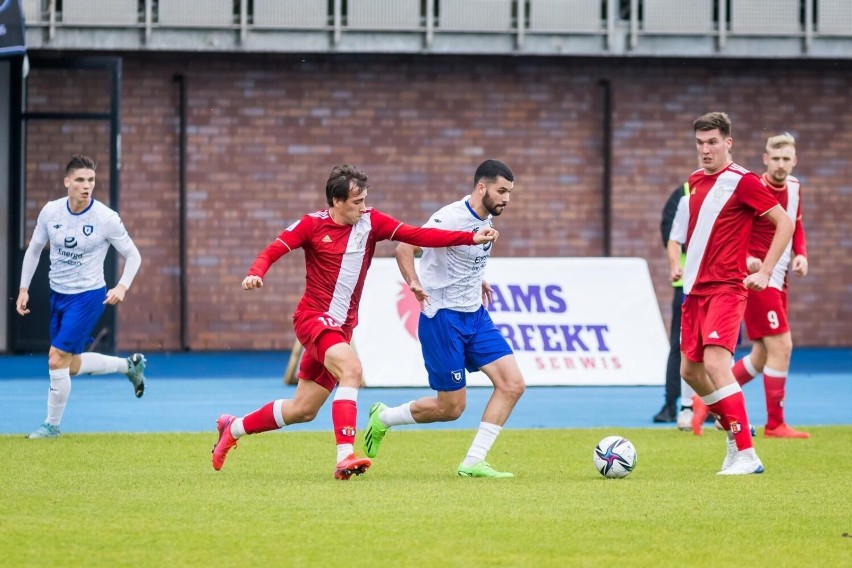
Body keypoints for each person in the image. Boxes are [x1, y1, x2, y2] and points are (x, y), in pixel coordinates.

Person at [211, 164, 499, 480]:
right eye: (356, 202)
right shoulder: (311, 225)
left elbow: (417, 235)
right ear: (336, 201)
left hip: (341, 327)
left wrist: (470, 238)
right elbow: (275, 249)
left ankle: (233, 428)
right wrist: (256, 272)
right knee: (352, 369)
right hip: (313, 319)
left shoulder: (372, 222)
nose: (363, 208)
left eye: (364, 200)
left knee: (303, 409)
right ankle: (345, 456)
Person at [362, 159, 525, 478]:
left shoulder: (486, 215)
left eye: (510, 192)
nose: (506, 198)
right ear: (482, 187)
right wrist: (413, 282)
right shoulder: (448, 217)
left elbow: (458, 257)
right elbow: (404, 249)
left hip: (475, 317)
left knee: (513, 384)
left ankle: (473, 461)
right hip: (442, 319)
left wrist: (477, 279)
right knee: (450, 409)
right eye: (501, 191)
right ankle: (384, 418)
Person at [679, 112, 793, 475]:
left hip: (726, 290)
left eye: (712, 142)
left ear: (728, 142)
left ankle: (747, 453)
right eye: (700, 143)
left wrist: (767, 270)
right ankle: (733, 436)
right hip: (694, 291)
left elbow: (785, 223)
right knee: (691, 372)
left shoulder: (743, 181)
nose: (705, 150)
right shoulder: (694, 180)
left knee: (716, 364)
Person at [16, 155, 147, 439]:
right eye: (80, 180)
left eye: (91, 180)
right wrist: (24, 288)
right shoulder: (51, 212)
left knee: (55, 359)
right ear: (67, 183)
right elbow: (35, 249)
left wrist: (122, 286)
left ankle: (51, 426)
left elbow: (133, 255)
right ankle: (128, 366)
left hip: (88, 296)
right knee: (69, 365)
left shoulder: (105, 218)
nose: (86, 186)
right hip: (58, 295)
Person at [729, 133, 810, 439]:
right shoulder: (755, 188)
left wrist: (801, 254)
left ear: (794, 160)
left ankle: (706, 400)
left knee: (763, 355)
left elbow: (795, 223)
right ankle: (775, 424)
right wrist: (748, 258)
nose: (780, 165)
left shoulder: (795, 187)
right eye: (775, 158)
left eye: (786, 159)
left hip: (781, 278)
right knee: (783, 346)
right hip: (760, 280)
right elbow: (738, 229)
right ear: (765, 159)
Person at [653, 180, 690, 425]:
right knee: (679, 344)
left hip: (721, 285)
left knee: (718, 348)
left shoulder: (731, 188)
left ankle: (711, 405)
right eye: (701, 145)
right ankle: (671, 404)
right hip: (686, 284)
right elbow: (669, 232)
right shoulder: (684, 194)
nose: (706, 152)